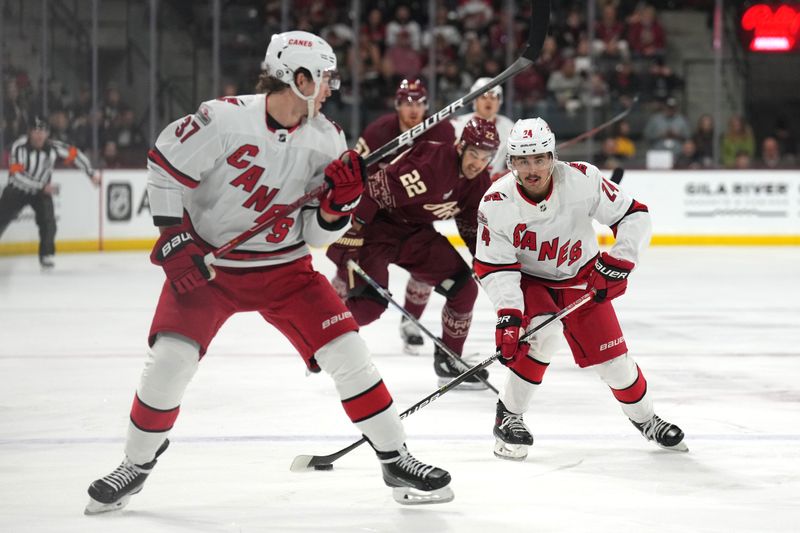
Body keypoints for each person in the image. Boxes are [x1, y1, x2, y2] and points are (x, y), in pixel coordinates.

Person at [84, 31, 453, 515]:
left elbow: (318, 238)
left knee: (349, 353)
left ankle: (395, 458)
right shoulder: (224, 118)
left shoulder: (328, 138)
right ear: (298, 78)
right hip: (214, 268)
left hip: (286, 269)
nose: (328, 89)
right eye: (322, 79)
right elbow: (164, 168)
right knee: (169, 363)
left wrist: (338, 205)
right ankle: (136, 462)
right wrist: (173, 235)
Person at [474, 117, 687, 461]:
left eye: (540, 158)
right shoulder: (496, 202)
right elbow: (494, 267)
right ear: (511, 162)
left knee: (616, 364)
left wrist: (620, 261)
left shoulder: (582, 179)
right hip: (531, 282)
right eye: (523, 160)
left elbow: (634, 216)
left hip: (582, 278)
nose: (532, 169)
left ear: (553, 156)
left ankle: (647, 420)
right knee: (545, 336)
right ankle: (509, 416)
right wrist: (509, 316)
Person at [327, 117, 499, 390]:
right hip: (378, 229)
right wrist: (353, 234)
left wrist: (487, 264)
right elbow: (372, 191)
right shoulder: (431, 164)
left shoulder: (478, 182)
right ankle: (322, 331)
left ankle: (448, 361)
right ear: (460, 146)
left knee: (464, 288)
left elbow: (470, 229)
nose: (478, 162)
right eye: (474, 153)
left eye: (486, 156)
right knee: (369, 308)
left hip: (414, 234)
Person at [349, 78, 456, 354]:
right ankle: (338, 327)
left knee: (425, 272)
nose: (413, 109)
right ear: (397, 104)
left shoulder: (442, 131)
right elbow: (356, 171)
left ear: (426, 106)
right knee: (349, 269)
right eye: (407, 103)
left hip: (417, 217)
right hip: (378, 218)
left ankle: (411, 323)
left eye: (419, 103)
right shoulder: (377, 132)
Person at [0, 117, 100, 269]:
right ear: (29, 132)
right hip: (17, 190)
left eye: (43, 131)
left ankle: (45, 255)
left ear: (47, 133)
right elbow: (16, 175)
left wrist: (91, 173)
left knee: (48, 222)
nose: (39, 135)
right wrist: (41, 186)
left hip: (41, 191)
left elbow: (75, 154)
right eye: (36, 131)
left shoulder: (53, 147)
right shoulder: (18, 147)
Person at [451, 77, 514, 181]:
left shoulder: (511, 128)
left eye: (493, 97)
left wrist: (504, 177)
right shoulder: (456, 125)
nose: (489, 101)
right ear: (475, 101)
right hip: (460, 182)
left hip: (494, 186)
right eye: (484, 97)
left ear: (499, 102)